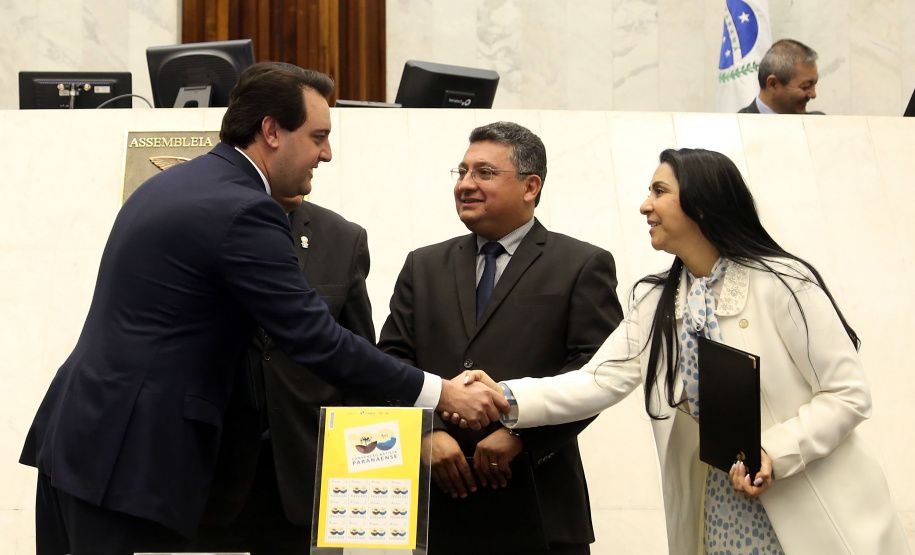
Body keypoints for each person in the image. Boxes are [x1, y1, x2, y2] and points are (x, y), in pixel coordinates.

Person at [19, 62, 507, 555]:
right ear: (271, 130)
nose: (327, 154)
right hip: (127, 456)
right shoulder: (244, 208)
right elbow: (313, 337)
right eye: (318, 136)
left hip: (85, 440)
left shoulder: (176, 184)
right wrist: (440, 392)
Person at [467, 148, 911, 554]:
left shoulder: (785, 282)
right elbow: (599, 379)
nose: (645, 206)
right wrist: (505, 396)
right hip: (720, 508)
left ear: (702, 204)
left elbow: (848, 394)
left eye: (660, 192)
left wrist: (774, 452)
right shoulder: (656, 298)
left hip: (808, 502)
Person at [378, 121, 624, 555]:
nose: (465, 184)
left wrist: (523, 436)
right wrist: (424, 432)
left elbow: (597, 374)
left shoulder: (582, 264)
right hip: (435, 503)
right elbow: (391, 360)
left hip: (538, 500)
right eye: (462, 172)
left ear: (531, 186)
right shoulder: (423, 265)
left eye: (484, 173)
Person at [194, 190, 376, 554]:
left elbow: (359, 362)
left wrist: (362, 475)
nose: (321, 156)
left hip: (307, 467)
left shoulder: (342, 237)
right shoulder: (200, 227)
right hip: (214, 465)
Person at [739, 39, 823, 115]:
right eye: (805, 86)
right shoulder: (735, 127)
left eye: (814, 84)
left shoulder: (819, 124)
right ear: (773, 84)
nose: (813, 94)